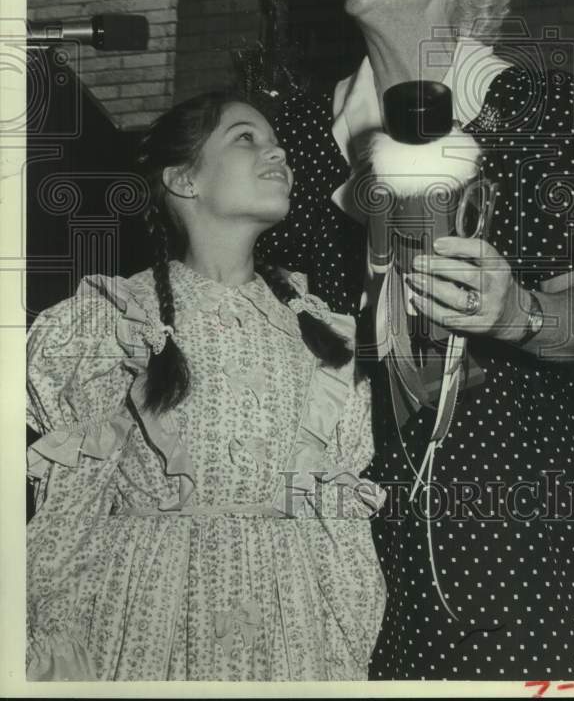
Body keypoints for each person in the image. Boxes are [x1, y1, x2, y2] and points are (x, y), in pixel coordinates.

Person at [259, 0, 574, 680]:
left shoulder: (534, 112)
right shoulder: (288, 137)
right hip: (322, 529)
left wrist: (518, 317)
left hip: (502, 529)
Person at [26, 91, 386, 681]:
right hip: (147, 612)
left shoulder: (317, 329)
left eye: (278, 142)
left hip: (289, 626)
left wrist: (344, 645)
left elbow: (338, 517)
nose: (278, 152)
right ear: (183, 180)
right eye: (246, 137)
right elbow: (73, 505)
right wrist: (53, 643)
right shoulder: (118, 320)